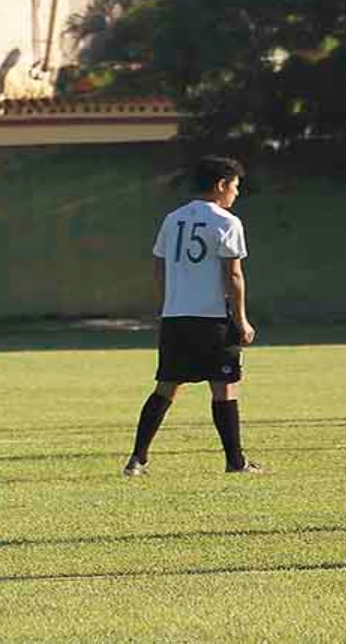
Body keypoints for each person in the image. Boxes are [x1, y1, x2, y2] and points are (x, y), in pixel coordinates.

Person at [123, 156, 262, 476]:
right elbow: (234, 275)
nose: (236, 194)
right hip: (212, 318)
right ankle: (235, 462)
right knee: (224, 387)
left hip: (175, 318)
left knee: (165, 386)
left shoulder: (172, 219)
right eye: (235, 187)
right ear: (221, 185)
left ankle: (137, 459)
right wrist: (241, 319)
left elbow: (158, 267)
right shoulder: (227, 222)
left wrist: (169, 302)